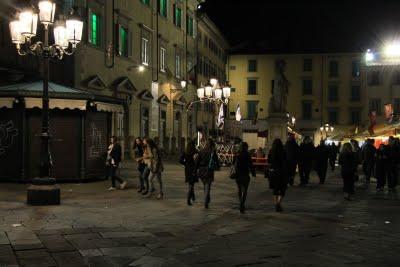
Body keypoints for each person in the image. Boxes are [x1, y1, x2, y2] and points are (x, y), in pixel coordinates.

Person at [233, 142, 256, 213]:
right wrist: (253, 173)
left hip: (238, 174)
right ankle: (242, 203)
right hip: (245, 174)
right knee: (245, 190)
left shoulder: (237, 154)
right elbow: (251, 165)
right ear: (246, 147)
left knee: (239, 189)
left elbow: (233, 163)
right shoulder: (247, 155)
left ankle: (241, 202)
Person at [196, 138, 219, 209]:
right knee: (207, 185)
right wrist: (217, 167)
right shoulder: (213, 152)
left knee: (205, 185)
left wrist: (195, 170)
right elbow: (216, 161)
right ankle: (206, 199)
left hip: (201, 170)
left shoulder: (202, 151)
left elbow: (197, 161)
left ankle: (207, 198)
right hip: (209, 170)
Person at [267, 138, 288, 212]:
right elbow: (286, 161)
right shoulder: (283, 151)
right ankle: (278, 203)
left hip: (273, 172)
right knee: (282, 189)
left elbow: (268, 161)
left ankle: (276, 203)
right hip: (282, 172)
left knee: (275, 189)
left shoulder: (271, 151)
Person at [180, 140, 199, 206]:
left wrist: (185, 163)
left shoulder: (185, 151)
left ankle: (193, 197)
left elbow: (180, 160)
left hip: (187, 169)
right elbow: (199, 159)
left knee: (190, 183)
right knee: (191, 184)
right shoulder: (195, 151)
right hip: (194, 168)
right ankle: (188, 199)